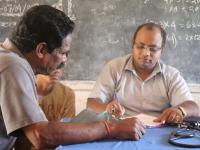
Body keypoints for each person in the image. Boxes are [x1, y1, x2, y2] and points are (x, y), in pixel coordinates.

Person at [0, 5, 145, 150]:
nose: (64, 60)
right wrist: (111, 128)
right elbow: (41, 136)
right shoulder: (13, 65)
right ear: (41, 50)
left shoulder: (8, 58)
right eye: (63, 53)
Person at [87, 23, 199, 124]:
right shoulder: (114, 68)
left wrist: (179, 111)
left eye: (153, 49)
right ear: (133, 44)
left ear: (162, 50)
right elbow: (91, 103)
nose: (146, 53)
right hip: (121, 128)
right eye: (140, 46)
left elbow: (193, 107)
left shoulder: (171, 75)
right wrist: (107, 108)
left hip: (159, 130)